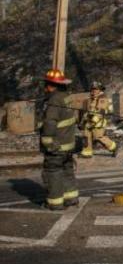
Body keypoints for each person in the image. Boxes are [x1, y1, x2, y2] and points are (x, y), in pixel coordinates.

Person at [37, 69, 79, 211]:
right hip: (68, 145)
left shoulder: (53, 100)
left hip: (57, 146)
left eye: (46, 84)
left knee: (52, 172)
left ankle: (55, 203)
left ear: (51, 85)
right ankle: (71, 198)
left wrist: (48, 144)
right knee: (67, 170)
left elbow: (50, 123)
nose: (44, 88)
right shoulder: (66, 97)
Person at [78, 81, 117, 158]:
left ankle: (113, 147)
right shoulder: (89, 99)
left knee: (98, 137)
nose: (94, 91)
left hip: (98, 122)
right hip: (88, 121)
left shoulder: (102, 98)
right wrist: (82, 122)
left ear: (100, 90)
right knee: (86, 136)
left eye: (96, 89)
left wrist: (94, 121)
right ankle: (87, 153)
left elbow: (101, 112)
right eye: (92, 89)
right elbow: (86, 112)